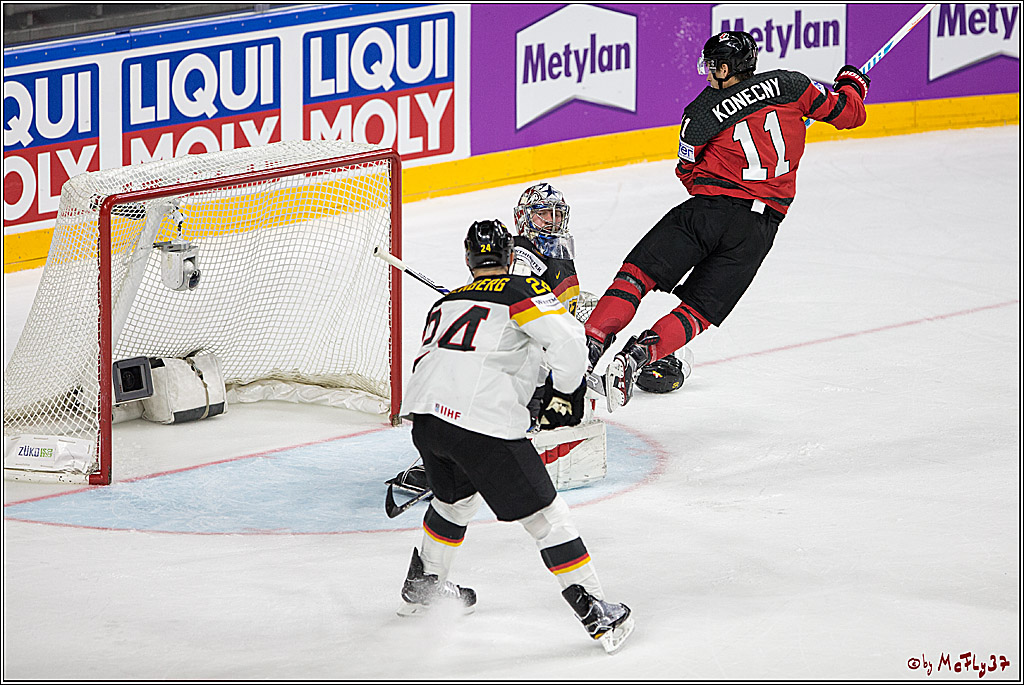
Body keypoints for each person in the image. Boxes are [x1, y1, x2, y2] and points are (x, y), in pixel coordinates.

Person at [584, 31, 869, 410]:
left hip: (708, 212)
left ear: (723, 68)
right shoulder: (793, 86)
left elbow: (688, 174)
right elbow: (851, 114)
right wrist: (852, 84)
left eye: (710, 66)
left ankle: (588, 348)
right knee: (698, 311)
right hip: (758, 230)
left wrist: (721, 173)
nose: (706, 73)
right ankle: (635, 359)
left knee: (637, 276)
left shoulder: (700, 113)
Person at [395, 219, 634, 654]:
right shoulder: (520, 290)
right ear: (509, 257)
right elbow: (570, 343)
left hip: (426, 419)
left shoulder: (446, 303)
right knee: (547, 518)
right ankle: (597, 611)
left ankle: (424, 585)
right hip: (480, 424)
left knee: (453, 502)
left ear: (468, 259)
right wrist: (565, 394)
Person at [511, 182, 691, 416]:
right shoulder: (520, 257)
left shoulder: (556, 250)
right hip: (530, 353)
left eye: (557, 214)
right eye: (542, 214)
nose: (551, 221)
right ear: (523, 218)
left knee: (598, 312)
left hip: (550, 340)